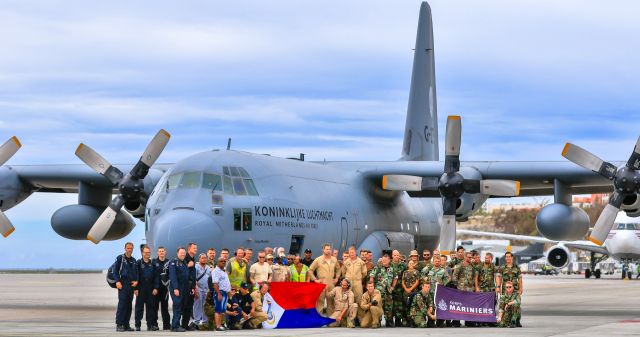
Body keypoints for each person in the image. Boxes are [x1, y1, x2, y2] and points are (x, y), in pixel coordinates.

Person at [113, 242, 139, 332]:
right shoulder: (120, 258)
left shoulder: (134, 260)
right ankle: (119, 324)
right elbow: (115, 270)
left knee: (129, 306)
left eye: (131, 248)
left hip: (131, 286)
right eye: (128, 248)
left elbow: (136, 273)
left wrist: (136, 282)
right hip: (123, 285)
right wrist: (117, 281)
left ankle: (126, 324)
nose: (130, 250)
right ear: (125, 248)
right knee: (122, 305)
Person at [309, 243, 340, 315]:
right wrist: (315, 280)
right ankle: (318, 321)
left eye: (329, 249)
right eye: (327, 249)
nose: (328, 251)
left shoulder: (334, 259)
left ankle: (330, 321)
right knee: (320, 303)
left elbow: (338, 269)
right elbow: (310, 270)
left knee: (331, 303)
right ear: (323, 250)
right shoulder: (318, 260)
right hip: (321, 284)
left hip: (331, 284)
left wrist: (337, 278)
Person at [368, 254, 397, 327]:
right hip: (379, 291)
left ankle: (389, 321)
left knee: (389, 306)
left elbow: (395, 278)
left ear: (389, 260)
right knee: (379, 305)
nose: (384, 261)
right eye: (383, 260)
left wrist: (393, 287)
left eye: (386, 260)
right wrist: (372, 287)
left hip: (388, 291)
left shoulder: (392, 268)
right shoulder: (378, 267)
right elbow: (372, 276)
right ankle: (378, 321)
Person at [452, 251, 479, 327]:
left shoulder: (472, 267)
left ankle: (469, 321)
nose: (470, 258)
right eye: (469, 257)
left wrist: (475, 287)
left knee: (469, 306)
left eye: (471, 257)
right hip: (461, 290)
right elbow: (454, 277)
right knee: (459, 306)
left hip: (470, 289)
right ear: (465, 257)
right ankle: (456, 322)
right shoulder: (459, 266)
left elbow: (474, 276)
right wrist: (459, 286)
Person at [497, 251, 523, 327]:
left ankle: (516, 320)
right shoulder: (502, 268)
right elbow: (499, 278)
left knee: (516, 304)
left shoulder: (517, 268)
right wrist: (498, 287)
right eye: (506, 257)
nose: (508, 258)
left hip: (515, 291)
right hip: (506, 290)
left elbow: (520, 279)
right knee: (504, 306)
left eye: (509, 256)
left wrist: (521, 289)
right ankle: (506, 319)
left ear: (512, 258)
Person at [342, 246, 367, 322]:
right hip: (348, 283)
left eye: (353, 252)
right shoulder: (346, 262)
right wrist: (347, 278)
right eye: (350, 253)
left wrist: (358, 278)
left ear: (355, 252)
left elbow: (364, 273)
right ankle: (349, 318)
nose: (351, 254)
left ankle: (360, 318)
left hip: (357, 282)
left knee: (359, 300)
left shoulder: (360, 262)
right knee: (348, 300)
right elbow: (343, 272)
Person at [134, 245, 157, 331]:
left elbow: (156, 277)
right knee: (139, 308)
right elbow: (135, 276)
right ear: (142, 253)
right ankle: (137, 325)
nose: (147, 254)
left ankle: (150, 325)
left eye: (149, 252)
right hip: (141, 288)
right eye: (146, 252)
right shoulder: (138, 263)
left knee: (150, 308)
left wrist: (156, 288)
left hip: (150, 288)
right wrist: (135, 289)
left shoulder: (153, 263)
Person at [168, 247, 190, 332]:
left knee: (181, 306)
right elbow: (172, 276)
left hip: (184, 288)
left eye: (184, 253)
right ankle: (175, 326)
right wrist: (176, 288)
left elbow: (186, 277)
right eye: (181, 253)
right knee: (177, 306)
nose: (183, 254)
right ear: (177, 253)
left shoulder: (184, 262)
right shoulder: (173, 262)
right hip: (176, 288)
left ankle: (176, 324)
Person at [152, 246, 171, 330]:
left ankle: (166, 325)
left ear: (165, 252)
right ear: (157, 253)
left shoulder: (169, 262)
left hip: (165, 289)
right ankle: (154, 324)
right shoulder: (154, 262)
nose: (161, 252)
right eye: (160, 251)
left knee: (165, 308)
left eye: (162, 251)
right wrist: (153, 287)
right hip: (156, 289)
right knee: (155, 307)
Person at [211, 257, 231, 332]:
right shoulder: (216, 271)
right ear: (217, 262)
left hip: (225, 293)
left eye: (224, 261)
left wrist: (228, 292)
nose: (223, 262)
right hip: (220, 292)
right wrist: (218, 294)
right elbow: (215, 283)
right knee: (218, 310)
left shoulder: (223, 271)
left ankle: (220, 325)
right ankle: (218, 326)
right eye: (221, 261)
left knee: (222, 310)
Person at [181, 243, 198, 330]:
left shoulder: (192, 258)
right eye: (194, 248)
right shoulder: (185, 258)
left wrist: (194, 287)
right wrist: (188, 266)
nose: (196, 249)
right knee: (185, 306)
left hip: (191, 286)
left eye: (196, 248)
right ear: (189, 249)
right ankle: (181, 325)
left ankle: (185, 325)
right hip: (185, 286)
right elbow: (181, 271)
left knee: (189, 306)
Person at [193, 253, 211, 328]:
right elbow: (193, 278)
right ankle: (196, 321)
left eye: (205, 258)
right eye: (202, 258)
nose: (204, 259)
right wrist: (195, 288)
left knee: (205, 305)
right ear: (199, 259)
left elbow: (210, 278)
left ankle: (205, 322)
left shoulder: (208, 267)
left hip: (206, 289)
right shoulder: (196, 266)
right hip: (198, 288)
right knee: (197, 305)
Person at [390, 250, 407, 327]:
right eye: (395, 255)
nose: (396, 257)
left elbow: (405, 275)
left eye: (397, 255)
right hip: (390, 287)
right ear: (392, 256)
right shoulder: (389, 264)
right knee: (390, 304)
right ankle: (389, 320)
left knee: (399, 304)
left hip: (400, 288)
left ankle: (397, 320)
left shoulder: (403, 265)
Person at [401, 260, 420, 326]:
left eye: (412, 263)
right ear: (408, 264)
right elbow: (403, 282)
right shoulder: (405, 272)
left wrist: (411, 289)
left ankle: (413, 320)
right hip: (406, 292)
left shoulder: (416, 272)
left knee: (413, 305)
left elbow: (417, 281)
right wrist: (406, 289)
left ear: (414, 264)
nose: (411, 264)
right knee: (406, 305)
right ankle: (406, 320)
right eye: (410, 263)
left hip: (414, 291)